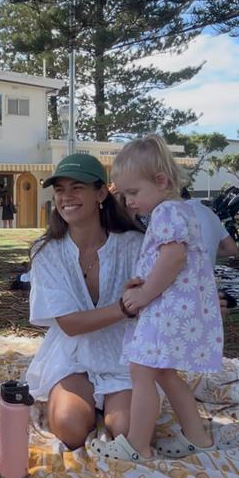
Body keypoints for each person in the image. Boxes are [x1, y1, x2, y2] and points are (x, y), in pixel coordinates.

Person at [93, 135, 223, 462]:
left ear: (161, 181)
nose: (128, 202)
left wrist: (145, 294)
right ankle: (198, 436)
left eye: (133, 193)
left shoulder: (166, 212)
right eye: (123, 195)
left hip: (166, 309)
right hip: (175, 307)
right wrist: (145, 281)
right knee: (164, 373)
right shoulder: (181, 211)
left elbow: (174, 258)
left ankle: (136, 445)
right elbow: (171, 262)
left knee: (141, 372)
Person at [26, 154, 144, 450]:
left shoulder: (134, 245)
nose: (66, 197)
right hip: (71, 353)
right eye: (60, 190)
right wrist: (125, 306)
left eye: (77, 187)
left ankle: (111, 408)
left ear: (101, 193)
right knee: (70, 428)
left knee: (127, 431)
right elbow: (69, 325)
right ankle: (87, 405)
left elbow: (167, 287)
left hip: (123, 351)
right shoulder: (46, 251)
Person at [180, 188, 239, 265]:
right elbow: (231, 249)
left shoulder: (175, 212)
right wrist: (207, 252)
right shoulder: (209, 213)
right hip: (206, 274)